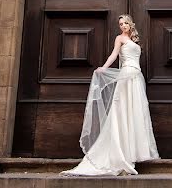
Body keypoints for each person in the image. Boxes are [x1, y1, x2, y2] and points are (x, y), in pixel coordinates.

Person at [60, 14, 159, 176]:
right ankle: (120, 155)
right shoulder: (119, 39)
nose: (123, 26)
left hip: (136, 77)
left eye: (125, 23)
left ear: (130, 24)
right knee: (122, 112)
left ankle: (132, 153)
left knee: (134, 113)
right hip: (126, 76)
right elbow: (114, 55)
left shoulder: (134, 41)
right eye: (120, 24)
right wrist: (104, 68)